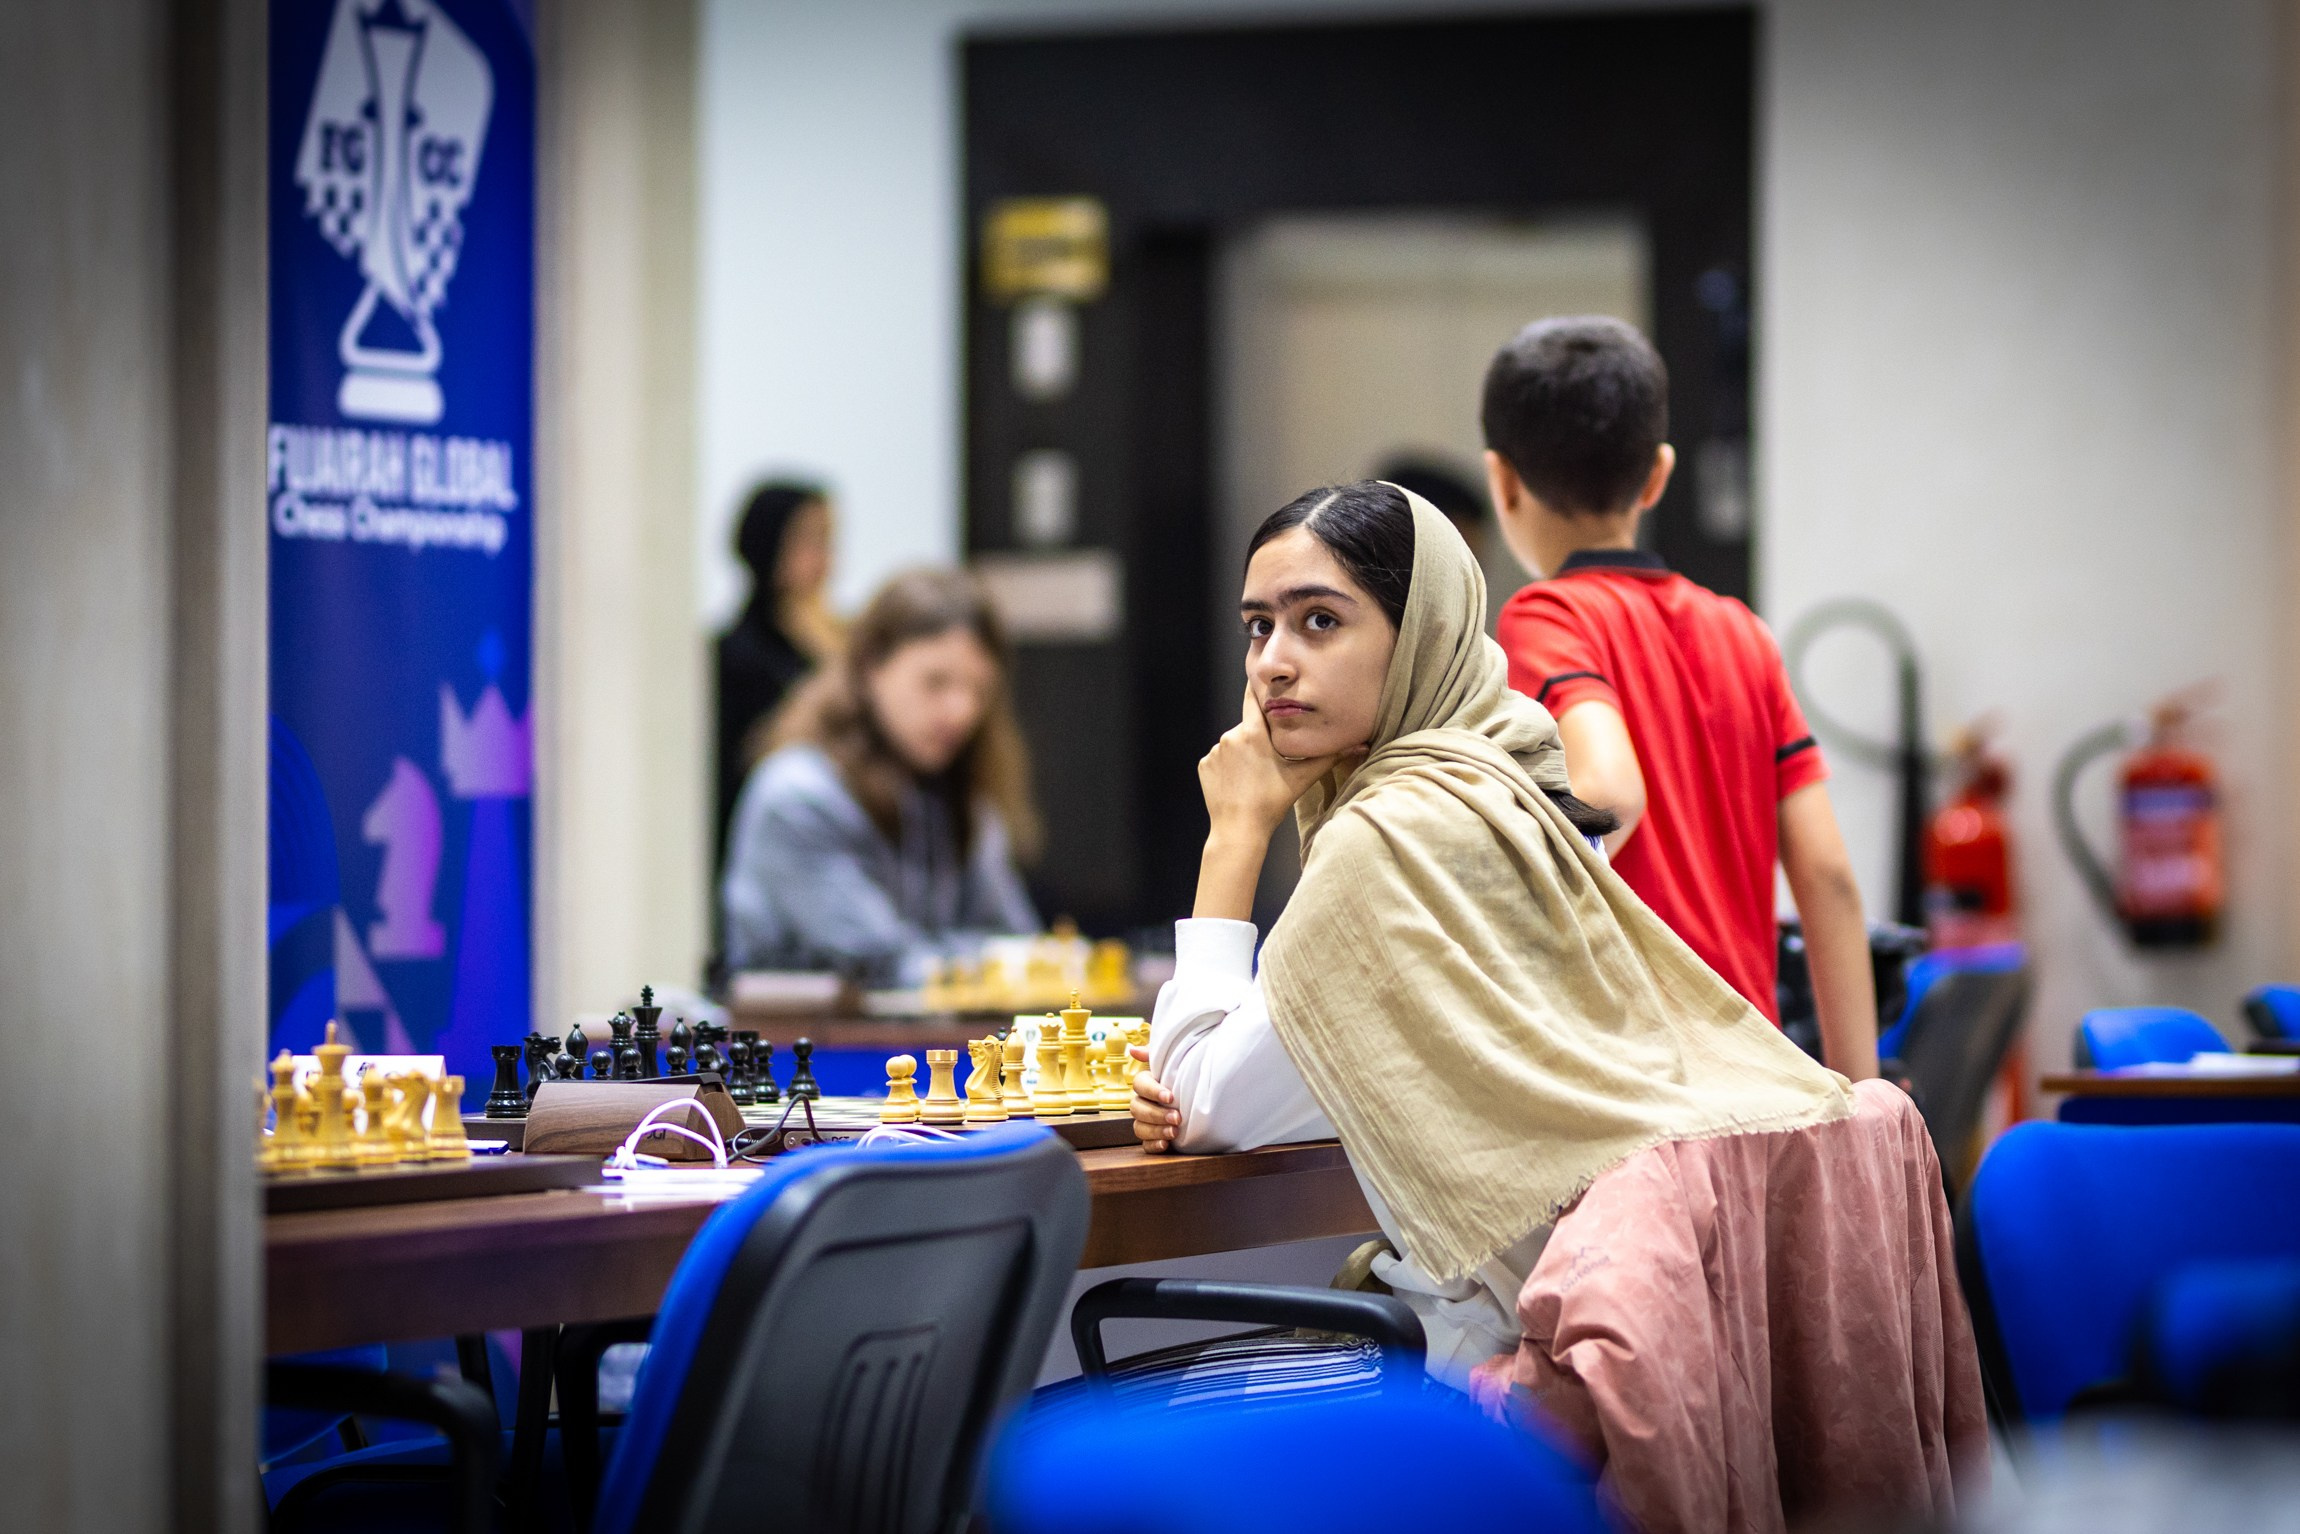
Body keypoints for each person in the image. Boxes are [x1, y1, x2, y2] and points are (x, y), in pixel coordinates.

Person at [1127, 481, 1984, 1532]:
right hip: (1621, 1347)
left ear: (1419, 635)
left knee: (1094, 1437)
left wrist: (1232, 839)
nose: (1270, 663)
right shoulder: (1514, 789)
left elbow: (1202, 1102)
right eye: (1257, 627)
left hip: (1491, 1377)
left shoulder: (1385, 840)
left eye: (1319, 620)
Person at [1482, 317, 1878, 1079]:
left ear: (1502, 481)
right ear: (1658, 475)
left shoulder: (1546, 616)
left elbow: (1605, 793)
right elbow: (1827, 875)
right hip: (1761, 1074)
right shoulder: (1742, 632)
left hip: (1643, 1079)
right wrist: (1864, 1090)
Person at [720, 568, 1040, 985]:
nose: (961, 711)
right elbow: (880, 963)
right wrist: (989, 960)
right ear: (872, 668)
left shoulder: (959, 796)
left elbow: (1019, 945)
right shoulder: (796, 795)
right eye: (935, 682)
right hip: (813, 1048)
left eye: (979, 690)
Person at [715, 481, 843, 878]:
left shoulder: (842, 637)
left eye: (829, 541)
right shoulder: (735, 654)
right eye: (809, 541)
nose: (824, 559)